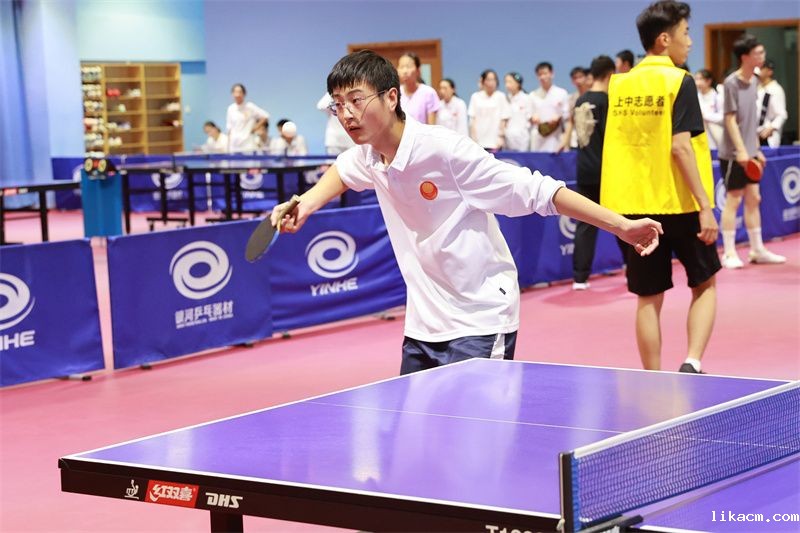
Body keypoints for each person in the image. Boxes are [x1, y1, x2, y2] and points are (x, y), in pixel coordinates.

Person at [271, 50, 662, 375]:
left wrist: (620, 225)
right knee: (419, 436)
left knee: (476, 439)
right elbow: (342, 170)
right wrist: (305, 204)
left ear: (391, 98)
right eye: (338, 105)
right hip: (423, 325)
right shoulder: (370, 156)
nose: (346, 114)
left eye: (356, 101)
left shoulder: (445, 151)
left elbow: (540, 190)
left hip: (479, 320)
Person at [601, 0, 719, 373]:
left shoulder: (619, 84)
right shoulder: (679, 80)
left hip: (634, 207)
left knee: (647, 297)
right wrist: (705, 205)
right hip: (679, 201)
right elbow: (680, 147)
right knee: (705, 285)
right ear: (665, 39)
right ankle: (692, 363)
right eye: (686, 33)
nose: (690, 41)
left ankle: (652, 378)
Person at [718, 34, 786, 268]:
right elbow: (730, 120)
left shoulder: (755, 81)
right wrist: (741, 151)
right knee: (733, 200)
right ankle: (728, 253)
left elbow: (751, 120)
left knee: (754, 198)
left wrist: (756, 149)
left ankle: (757, 250)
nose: (762, 56)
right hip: (733, 154)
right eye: (758, 53)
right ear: (745, 57)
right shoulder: (731, 83)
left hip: (750, 150)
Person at [571, 55, 616, 290]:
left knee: (585, 223)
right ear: (610, 74)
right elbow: (613, 137)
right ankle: (635, 268)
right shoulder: (607, 101)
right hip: (606, 170)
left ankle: (580, 277)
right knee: (622, 219)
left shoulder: (580, 100)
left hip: (584, 168)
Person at [529, 62, 569, 152]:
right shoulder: (532, 95)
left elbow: (566, 114)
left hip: (556, 135)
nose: (542, 77)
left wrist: (559, 116)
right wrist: (532, 117)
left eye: (545, 73)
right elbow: (528, 114)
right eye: (540, 74)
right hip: (538, 135)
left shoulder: (561, 93)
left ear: (552, 74)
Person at [468, 69, 510, 151]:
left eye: (494, 80)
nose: (491, 83)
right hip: (479, 142)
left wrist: (501, 137)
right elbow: (473, 119)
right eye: (488, 80)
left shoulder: (500, 96)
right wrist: (474, 139)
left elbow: (504, 119)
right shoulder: (475, 97)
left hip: (495, 142)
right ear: (483, 81)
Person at [397, 52, 439, 124]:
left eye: (408, 66)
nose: (405, 71)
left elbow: (432, 126)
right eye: (401, 67)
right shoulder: (396, 92)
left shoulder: (428, 93)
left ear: (418, 70)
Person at [225, 83, 269, 152]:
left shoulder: (250, 106)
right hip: (234, 146)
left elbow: (266, 116)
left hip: (248, 145)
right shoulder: (230, 108)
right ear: (232, 94)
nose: (237, 95)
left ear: (244, 94)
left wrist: (254, 128)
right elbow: (229, 128)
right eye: (235, 92)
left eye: (240, 92)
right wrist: (227, 148)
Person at [756, 59, 787, 148]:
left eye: (761, 68)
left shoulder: (776, 89)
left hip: (767, 136)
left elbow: (782, 114)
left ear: (769, 71)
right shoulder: (757, 88)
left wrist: (771, 128)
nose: (759, 71)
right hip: (755, 135)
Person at [559, 66, 590, 152]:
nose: (578, 81)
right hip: (576, 139)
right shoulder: (572, 98)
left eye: (580, 77)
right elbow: (570, 121)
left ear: (586, 77)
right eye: (575, 78)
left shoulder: (594, 96)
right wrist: (565, 142)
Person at [694, 69, 724, 149]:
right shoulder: (695, 96)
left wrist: (705, 115)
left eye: (700, 79)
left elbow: (723, 117)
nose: (697, 82)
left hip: (716, 136)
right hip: (701, 137)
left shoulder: (717, 95)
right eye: (696, 79)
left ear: (709, 81)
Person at [503, 72, 531, 151]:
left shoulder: (527, 98)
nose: (507, 85)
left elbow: (530, 117)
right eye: (506, 82)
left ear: (518, 83)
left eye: (510, 82)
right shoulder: (505, 99)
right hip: (508, 138)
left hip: (522, 138)